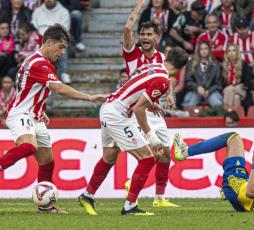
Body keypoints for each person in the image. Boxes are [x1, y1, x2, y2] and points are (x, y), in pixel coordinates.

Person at [77, 0, 182, 216]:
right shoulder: (134, 55)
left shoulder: (158, 62)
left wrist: (165, 96)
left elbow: (151, 85)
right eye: (141, 34)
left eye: (148, 34)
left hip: (122, 107)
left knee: (110, 157)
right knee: (148, 157)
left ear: (157, 38)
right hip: (126, 113)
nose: (143, 38)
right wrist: (139, 7)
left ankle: (88, 195)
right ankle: (130, 205)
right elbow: (127, 29)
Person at [0, 24, 108, 214]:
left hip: (35, 115)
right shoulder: (38, 63)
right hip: (21, 114)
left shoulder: (40, 62)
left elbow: (28, 88)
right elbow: (59, 88)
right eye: (60, 48)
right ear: (49, 43)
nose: (62, 53)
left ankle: (45, 206)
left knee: (47, 162)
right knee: (29, 146)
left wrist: (40, 108)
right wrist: (90, 97)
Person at [31, 0, 71, 83]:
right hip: (41, 37)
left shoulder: (63, 11)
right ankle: (38, 73)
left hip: (57, 38)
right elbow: (34, 26)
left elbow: (65, 28)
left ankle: (64, 73)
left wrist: (55, 39)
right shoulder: (37, 11)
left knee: (62, 46)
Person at [182, 41, 223, 108]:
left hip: (211, 92)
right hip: (195, 91)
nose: (204, 51)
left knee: (218, 104)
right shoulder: (191, 63)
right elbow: (188, 81)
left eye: (206, 48)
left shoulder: (215, 64)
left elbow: (219, 84)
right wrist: (197, 87)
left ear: (209, 50)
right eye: (201, 49)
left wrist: (209, 91)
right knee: (188, 106)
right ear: (198, 51)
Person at [230, 17, 254, 88]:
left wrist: (248, 66)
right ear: (236, 28)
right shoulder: (233, 38)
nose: (242, 31)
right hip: (238, 63)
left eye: (244, 28)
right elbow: (230, 55)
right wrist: (239, 65)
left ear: (248, 27)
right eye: (240, 28)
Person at [222, 43, 253, 109]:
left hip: (241, 89)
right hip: (228, 91)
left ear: (237, 52)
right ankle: (236, 115)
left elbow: (247, 82)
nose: (231, 53)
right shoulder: (223, 66)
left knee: (229, 89)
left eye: (234, 50)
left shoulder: (244, 64)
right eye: (229, 51)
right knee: (236, 97)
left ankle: (228, 111)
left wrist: (237, 84)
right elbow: (221, 83)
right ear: (227, 53)